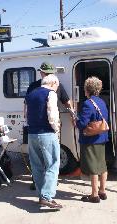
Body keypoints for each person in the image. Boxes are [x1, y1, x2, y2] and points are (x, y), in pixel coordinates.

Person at [24, 62, 74, 190]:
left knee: (37, 160)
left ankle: (38, 183)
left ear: (41, 72)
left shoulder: (33, 86)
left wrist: (27, 122)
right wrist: (72, 117)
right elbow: (67, 103)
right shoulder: (56, 87)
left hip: (34, 128)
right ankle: (49, 187)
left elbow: (25, 107)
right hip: (50, 128)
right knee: (51, 159)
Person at [25, 74, 62, 210]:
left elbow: (26, 114)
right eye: (57, 86)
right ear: (52, 83)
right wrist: (56, 129)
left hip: (32, 133)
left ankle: (41, 195)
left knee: (37, 166)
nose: (57, 89)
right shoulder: (50, 93)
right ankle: (46, 197)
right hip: (46, 133)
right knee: (53, 164)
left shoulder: (31, 94)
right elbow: (52, 114)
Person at [76, 76, 109, 203]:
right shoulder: (102, 102)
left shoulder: (87, 104)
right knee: (102, 166)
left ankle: (94, 195)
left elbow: (82, 123)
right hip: (102, 137)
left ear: (87, 89)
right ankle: (102, 191)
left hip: (90, 140)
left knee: (93, 168)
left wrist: (75, 120)